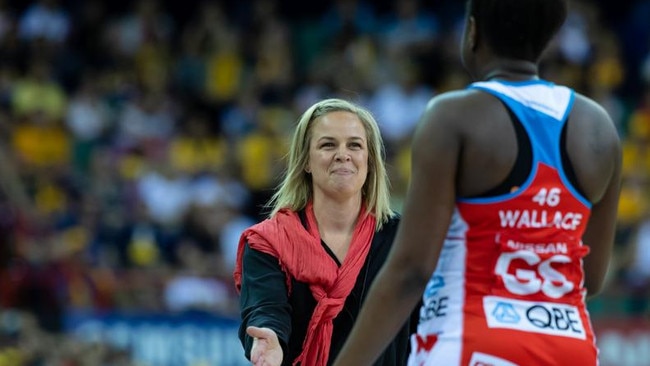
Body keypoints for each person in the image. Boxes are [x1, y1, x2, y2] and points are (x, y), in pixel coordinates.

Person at [333, 0, 622, 365]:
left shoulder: (453, 116)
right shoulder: (599, 127)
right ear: (548, 39)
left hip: (472, 342)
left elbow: (410, 271)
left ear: (472, 33)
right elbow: (590, 278)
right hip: (571, 348)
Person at [233, 98, 417, 366]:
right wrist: (267, 339)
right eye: (328, 144)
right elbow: (265, 310)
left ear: (369, 161)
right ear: (306, 160)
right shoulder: (268, 242)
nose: (343, 154)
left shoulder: (405, 239)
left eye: (354, 145)